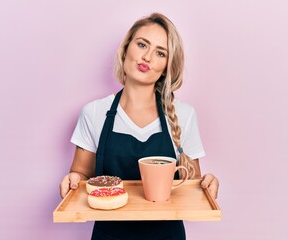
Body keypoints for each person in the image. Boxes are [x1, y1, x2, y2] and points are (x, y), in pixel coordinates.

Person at [59, 12, 219, 240]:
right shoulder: (94, 113)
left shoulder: (184, 114)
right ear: (126, 49)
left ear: (166, 66)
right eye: (142, 44)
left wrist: (206, 184)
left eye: (160, 52)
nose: (147, 57)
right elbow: (81, 174)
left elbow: (190, 185)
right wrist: (72, 179)